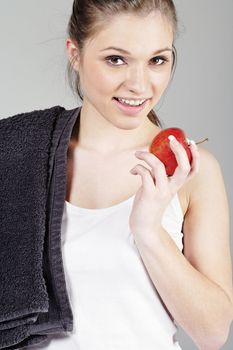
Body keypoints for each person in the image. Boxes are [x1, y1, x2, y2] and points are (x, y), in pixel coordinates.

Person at [0, 1, 232, 349]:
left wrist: (148, 230)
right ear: (75, 53)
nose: (139, 85)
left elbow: (213, 334)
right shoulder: (17, 154)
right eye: (116, 59)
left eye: (157, 60)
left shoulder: (192, 171)